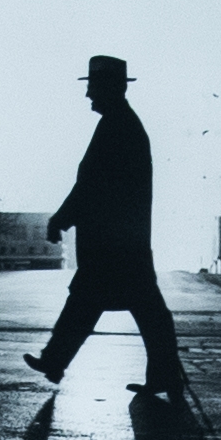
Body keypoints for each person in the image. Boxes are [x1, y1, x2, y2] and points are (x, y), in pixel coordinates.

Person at [23, 55, 183, 400]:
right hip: (123, 241)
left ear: (111, 88)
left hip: (114, 243)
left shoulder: (117, 126)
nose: (88, 96)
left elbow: (92, 185)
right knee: (133, 308)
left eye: (93, 88)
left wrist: (60, 219)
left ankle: (56, 360)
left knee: (100, 303)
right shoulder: (122, 123)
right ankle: (164, 375)